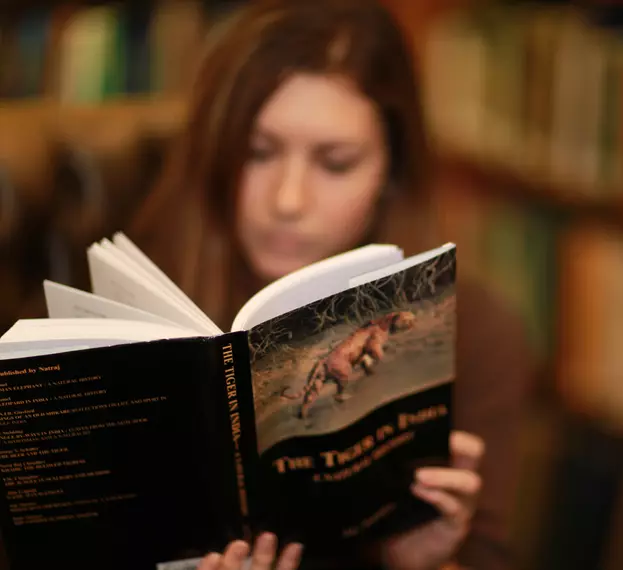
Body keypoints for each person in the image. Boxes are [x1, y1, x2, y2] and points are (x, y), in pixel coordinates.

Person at [130, 0, 535, 568]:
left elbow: (489, 554)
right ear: (215, 152)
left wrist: (419, 561)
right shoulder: (134, 295)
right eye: (257, 152)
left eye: (335, 163)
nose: (288, 200)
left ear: (390, 173)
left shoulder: (476, 331)